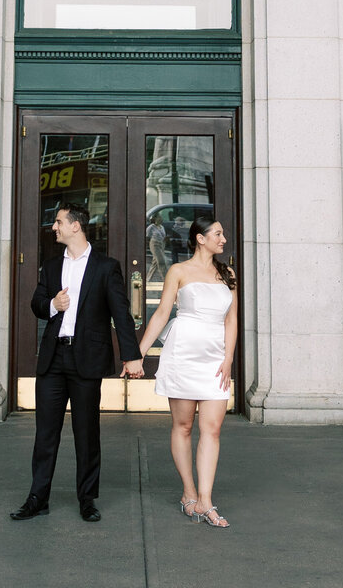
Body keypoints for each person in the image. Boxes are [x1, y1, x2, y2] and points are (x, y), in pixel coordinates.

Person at [11, 202, 142, 524]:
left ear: (75, 226)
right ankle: (37, 498)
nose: (53, 227)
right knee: (45, 435)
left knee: (87, 434)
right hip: (54, 359)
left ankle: (87, 499)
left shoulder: (105, 267)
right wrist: (53, 304)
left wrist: (132, 356)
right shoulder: (52, 267)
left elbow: (120, 314)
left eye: (58, 222)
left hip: (87, 360)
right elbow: (37, 302)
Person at [126, 217, 238, 528]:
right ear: (200, 238)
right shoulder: (178, 271)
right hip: (183, 355)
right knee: (184, 426)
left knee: (212, 429)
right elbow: (162, 313)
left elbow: (232, 320)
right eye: (217, 233)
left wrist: (229, 358)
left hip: (215, 359)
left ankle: (206, 499)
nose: (223, 239)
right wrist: (139, 353)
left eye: (222, 233)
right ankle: (189, 494)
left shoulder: (227, 273)